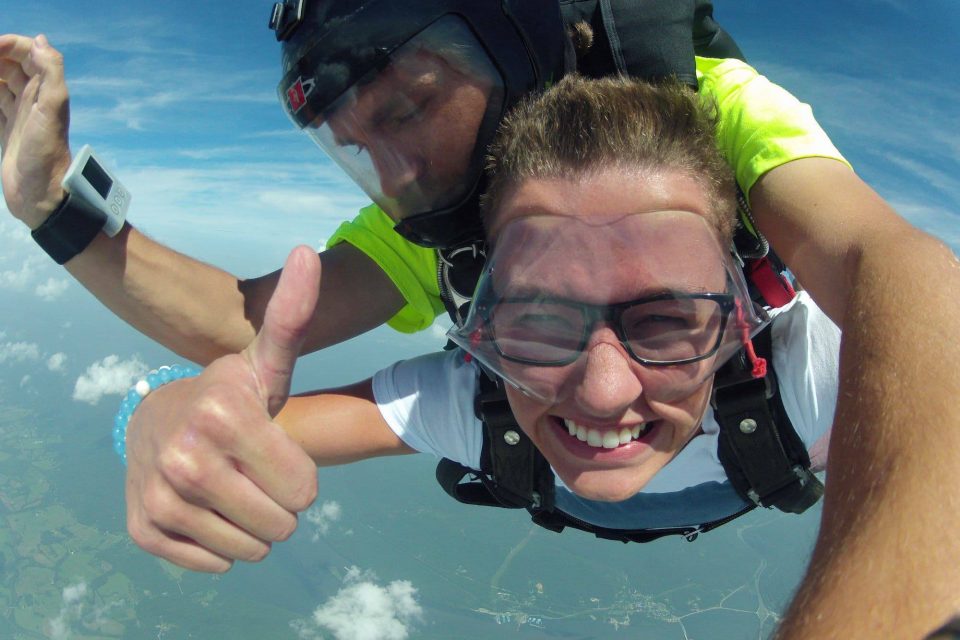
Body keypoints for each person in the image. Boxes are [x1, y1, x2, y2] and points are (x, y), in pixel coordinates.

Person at [1, 1, 959, 636]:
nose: (401, 169)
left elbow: (894, 278)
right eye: (356, 143)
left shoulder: (715, 120)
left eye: (415, 105)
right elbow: (241, 328)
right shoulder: (448, 234)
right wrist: (56, 211)